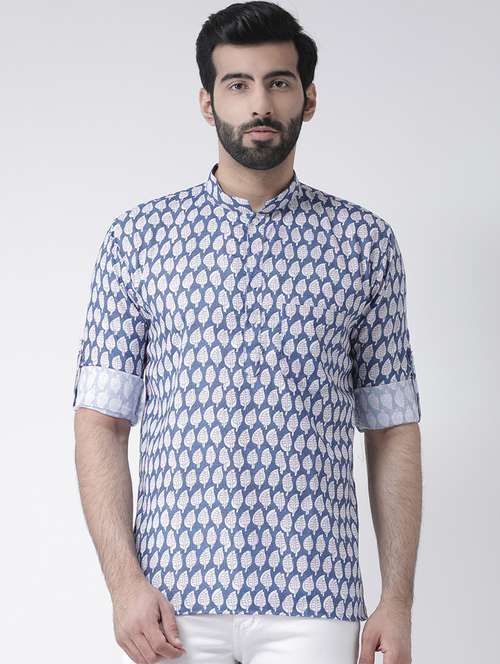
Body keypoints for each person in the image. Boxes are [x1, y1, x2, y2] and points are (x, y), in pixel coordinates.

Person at [72, 2, 422, 663]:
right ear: (208, 103)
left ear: (308, 98)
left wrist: (397, 598)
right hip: (172, 599)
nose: (259, 103)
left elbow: (392, 427)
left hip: (315, 595)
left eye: (278, 82)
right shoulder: (139, 239)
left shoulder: (364, 242)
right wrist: (124, 585)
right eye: (238, 84)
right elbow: (101, 420)